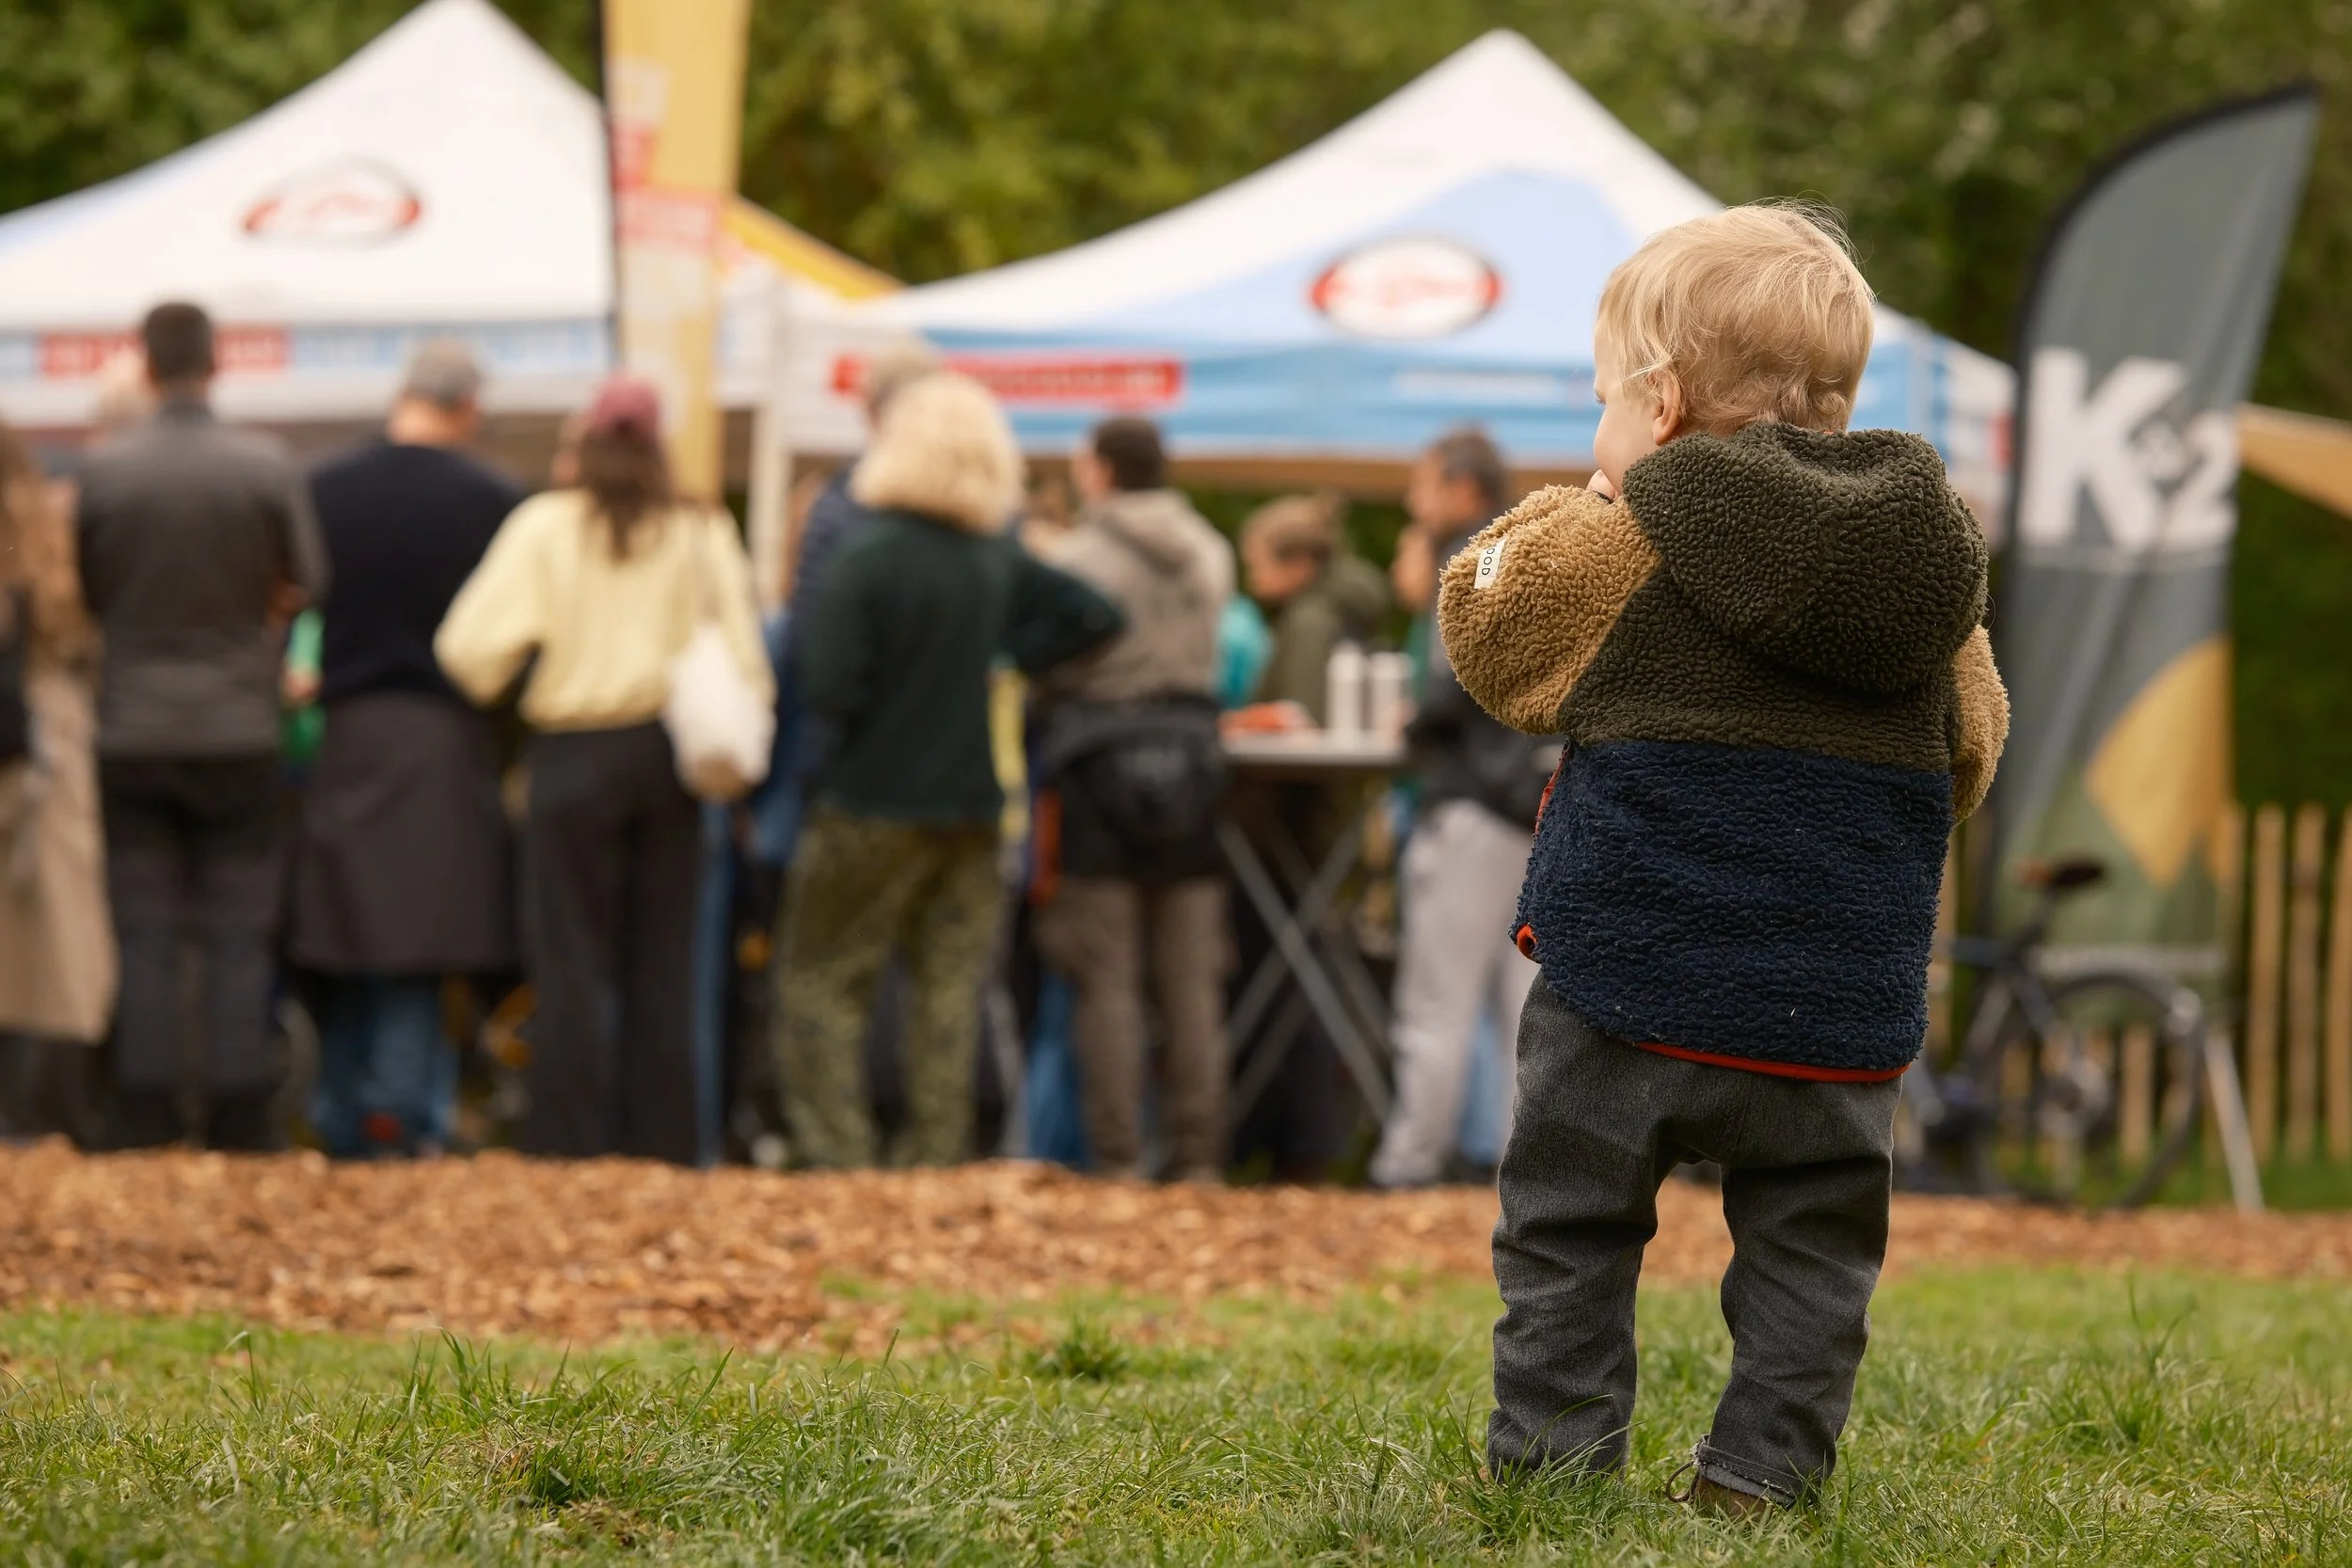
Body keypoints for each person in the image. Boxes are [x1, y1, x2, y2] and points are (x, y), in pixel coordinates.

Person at [1440, 205, 2009, 1511]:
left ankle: (1557, 1466)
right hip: (1834, 1001)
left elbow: (1486, 621)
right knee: (1813, 1249)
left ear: (1658, 398)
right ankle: (1761, 1477)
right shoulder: (1930, 577)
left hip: (1624, 977)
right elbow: (1973, 750)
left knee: (1573, 1226)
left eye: (1604, 398)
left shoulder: (1624, 537)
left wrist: (1593, 492)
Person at [774, 372, 1121, 1169]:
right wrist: (1009, 658)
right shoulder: (995, 558)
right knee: (948, 990)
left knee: (822, 979)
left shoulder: (865, 557)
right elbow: (1098, 614)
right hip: (971, 803)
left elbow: (826, 683)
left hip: (868, 799)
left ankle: (842, 1155)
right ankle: (932, 1158)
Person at [436, 376, 771, 1164]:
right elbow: (749, 660)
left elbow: (468, 651)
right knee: (667, 962)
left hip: (574, 754)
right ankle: (665, 1144)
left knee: (571, 959)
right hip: (668, 758)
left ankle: (570, 1144)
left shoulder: (548, 526)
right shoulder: (699, 529)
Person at [75, 301, 330, 1149]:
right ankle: (237, 1107)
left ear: (144, 366)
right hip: (238, 723)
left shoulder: (106, 474)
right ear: (216, 364)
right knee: (238, 920)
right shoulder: (262, 466)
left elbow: (89, 592)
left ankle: (145, 1105)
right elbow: (313, 577)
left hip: (133, 723)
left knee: (144, 924)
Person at [289, 342, 525, 1158]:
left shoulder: (322, 487)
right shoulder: (493, 497)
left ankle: (344, 1111)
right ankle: (403, 1115)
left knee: (345, 931)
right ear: (467, 406)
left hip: (347, 734)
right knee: (420, 941)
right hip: (444, 736)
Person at [1031, 417, 1235, 1182]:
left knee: (1108, 974)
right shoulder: (1208, 552)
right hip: (1192, 760)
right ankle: (1200, 1159)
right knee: (1191, 977)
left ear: (1102, 472)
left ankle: (1118, 1158)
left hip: (1099, 763)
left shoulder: (1078, 559)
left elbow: (1052, 665)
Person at [1369, 428, 1553, 1190]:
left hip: (1474, 800)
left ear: (1464, 488)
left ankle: (1407, 1166)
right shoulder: (1528, 551)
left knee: (1436, 999)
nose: (1415, 501)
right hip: (1527, 804)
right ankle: (1522, 1173)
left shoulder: (1479, 559)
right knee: (1518, 1008)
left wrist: (1409, 724)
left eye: (1425, 483)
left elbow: (1454, 685)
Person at [0, 418, 113, 1055]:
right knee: (52, 938)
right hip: (47, 749)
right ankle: (42, 1105)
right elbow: (82, 640)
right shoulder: (50, 545)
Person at [1236, 493, 1389, 722]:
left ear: (1300, 564)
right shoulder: (1335, 611)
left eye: (1258, 565)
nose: (1252, 580)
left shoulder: (1309, 623)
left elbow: (1301, 717)